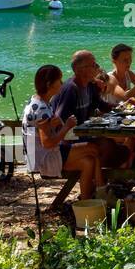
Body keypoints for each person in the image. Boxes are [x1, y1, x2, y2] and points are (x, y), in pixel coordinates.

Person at [22, 64, 104, 201]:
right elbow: (47, 143)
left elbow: (44, 131)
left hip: (40, 155)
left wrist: (56, 124)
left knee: (88, 162)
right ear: (49, 84)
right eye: (59, 80)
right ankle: (102, 192)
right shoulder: (41, 109)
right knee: (93, 148)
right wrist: (66, 126)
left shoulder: (38, 101)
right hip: (45, 159)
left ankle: (87, 201)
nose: (62, 83)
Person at [53, 50, 129, 168]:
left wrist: (124, 108)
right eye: (93, 65)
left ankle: (104, 180)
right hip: (66, 141)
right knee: (108, 146)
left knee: (121, 150)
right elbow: (59, 121)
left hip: (83, 134)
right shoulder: (71, 89)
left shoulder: (90, 85)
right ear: (79, 70)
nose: (97, 67)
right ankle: (98, 179)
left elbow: (103, 106)